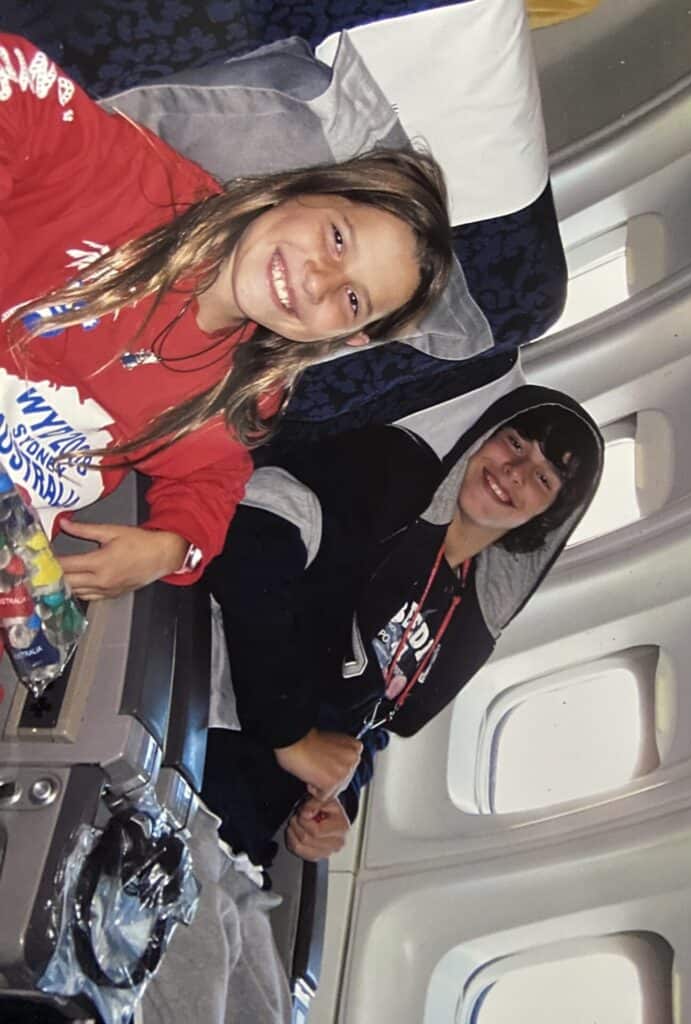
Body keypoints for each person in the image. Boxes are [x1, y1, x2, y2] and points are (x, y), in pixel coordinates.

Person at [0, 33, 452, 600]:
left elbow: (212, 481)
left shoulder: (242, 392)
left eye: (352, 299)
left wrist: (170, 546)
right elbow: (15, 77)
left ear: (350, 337)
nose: (318, 280)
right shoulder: (135, 186)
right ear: (305, 190)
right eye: (337, 238)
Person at [201, 384, 604, 865]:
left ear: (547, 516)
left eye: (543, 478)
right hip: (200, 715)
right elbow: (256, 537)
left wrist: (339, 800)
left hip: (248, 819)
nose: (514, 473)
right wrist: (291, 736)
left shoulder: (469, 618)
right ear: (484, 434)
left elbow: (374, 718)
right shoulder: (394, 480)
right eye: (515, 443)